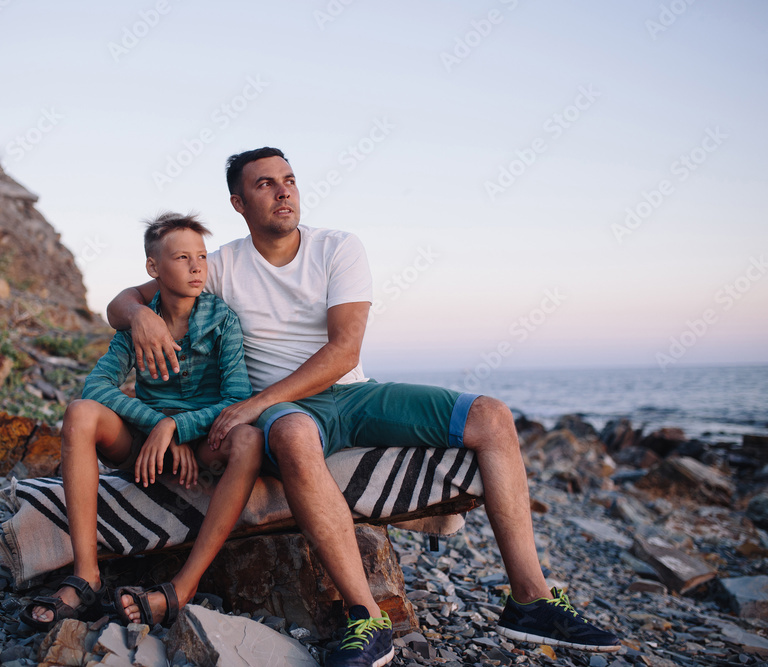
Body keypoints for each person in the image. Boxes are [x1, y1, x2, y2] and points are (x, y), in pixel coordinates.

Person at [108, 148, 621, 664]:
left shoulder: (338, 247)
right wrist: (141, 316)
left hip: (352, 392)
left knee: (491, 415)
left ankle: (530, 600)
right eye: (265, 184)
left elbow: (344, 351)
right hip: (293, 412)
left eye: (289, 179)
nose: (284, 191)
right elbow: (119, 304)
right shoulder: (221, 265)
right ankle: (367, 617)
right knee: (290, 435)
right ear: (239, 204)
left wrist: (254, 403)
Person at [23, 212, 260, 630]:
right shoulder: (140, 323)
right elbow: (96, 386)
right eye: (182, 257)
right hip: (145, 448)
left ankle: (183, 585)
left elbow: (237, 398)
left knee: (249, 439)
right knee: (80, 412)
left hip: (203, 446)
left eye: (202, 257)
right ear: (154, 267)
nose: (196, 267)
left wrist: (178, 428)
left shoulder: (222, 320)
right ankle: (86, 576)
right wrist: (156, 423)